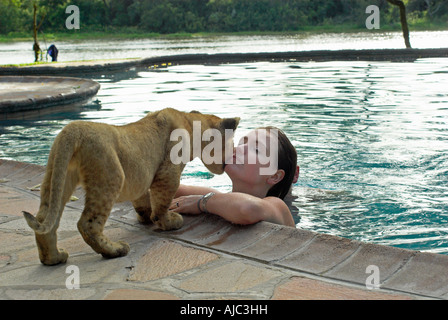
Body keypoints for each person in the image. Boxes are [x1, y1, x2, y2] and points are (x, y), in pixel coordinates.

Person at [170, 126, 299, 227]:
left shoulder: (277, 208)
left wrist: (201, 203)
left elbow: (247, 208)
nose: (239, 148)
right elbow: (162, 187)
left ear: (274, 176)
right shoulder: (215, 198)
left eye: (256, 149)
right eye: (242, 143)